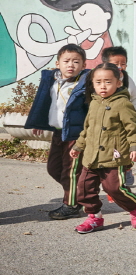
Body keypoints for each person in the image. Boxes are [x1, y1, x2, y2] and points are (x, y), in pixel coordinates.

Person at [70, 63, 136, 233]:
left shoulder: (123, 103)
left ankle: (135, 206)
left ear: (118, 83)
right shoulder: (94, 102)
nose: (102, 86)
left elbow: (134, 128)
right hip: (91, 156)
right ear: (93, 84)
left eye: (108, 82)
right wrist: (79, 146)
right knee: (83, 189)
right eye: (98, 82)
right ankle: (94, 218)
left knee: (114, 188)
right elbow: (87, 128)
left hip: (113, 156)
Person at [24, 43, 90, 220]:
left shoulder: (85, 84)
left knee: (70, 171)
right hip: (58, 133)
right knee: (54, 168)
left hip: (76, 135)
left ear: (84, 65)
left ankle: (71, 205)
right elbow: (45, 103)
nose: (71, 65)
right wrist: (40, 121)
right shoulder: (53, 81)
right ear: (57, 63)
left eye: (76, 61)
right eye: (66, 61)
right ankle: (82, 192)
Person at [101, 46, 136, 188]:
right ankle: (108, 173)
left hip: (124, 123)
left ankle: (127, 169)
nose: (120, 67)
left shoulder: (127, 80)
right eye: (115, 64)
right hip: (105, 121)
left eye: (123, 63)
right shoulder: (99, 78)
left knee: (123, 148)